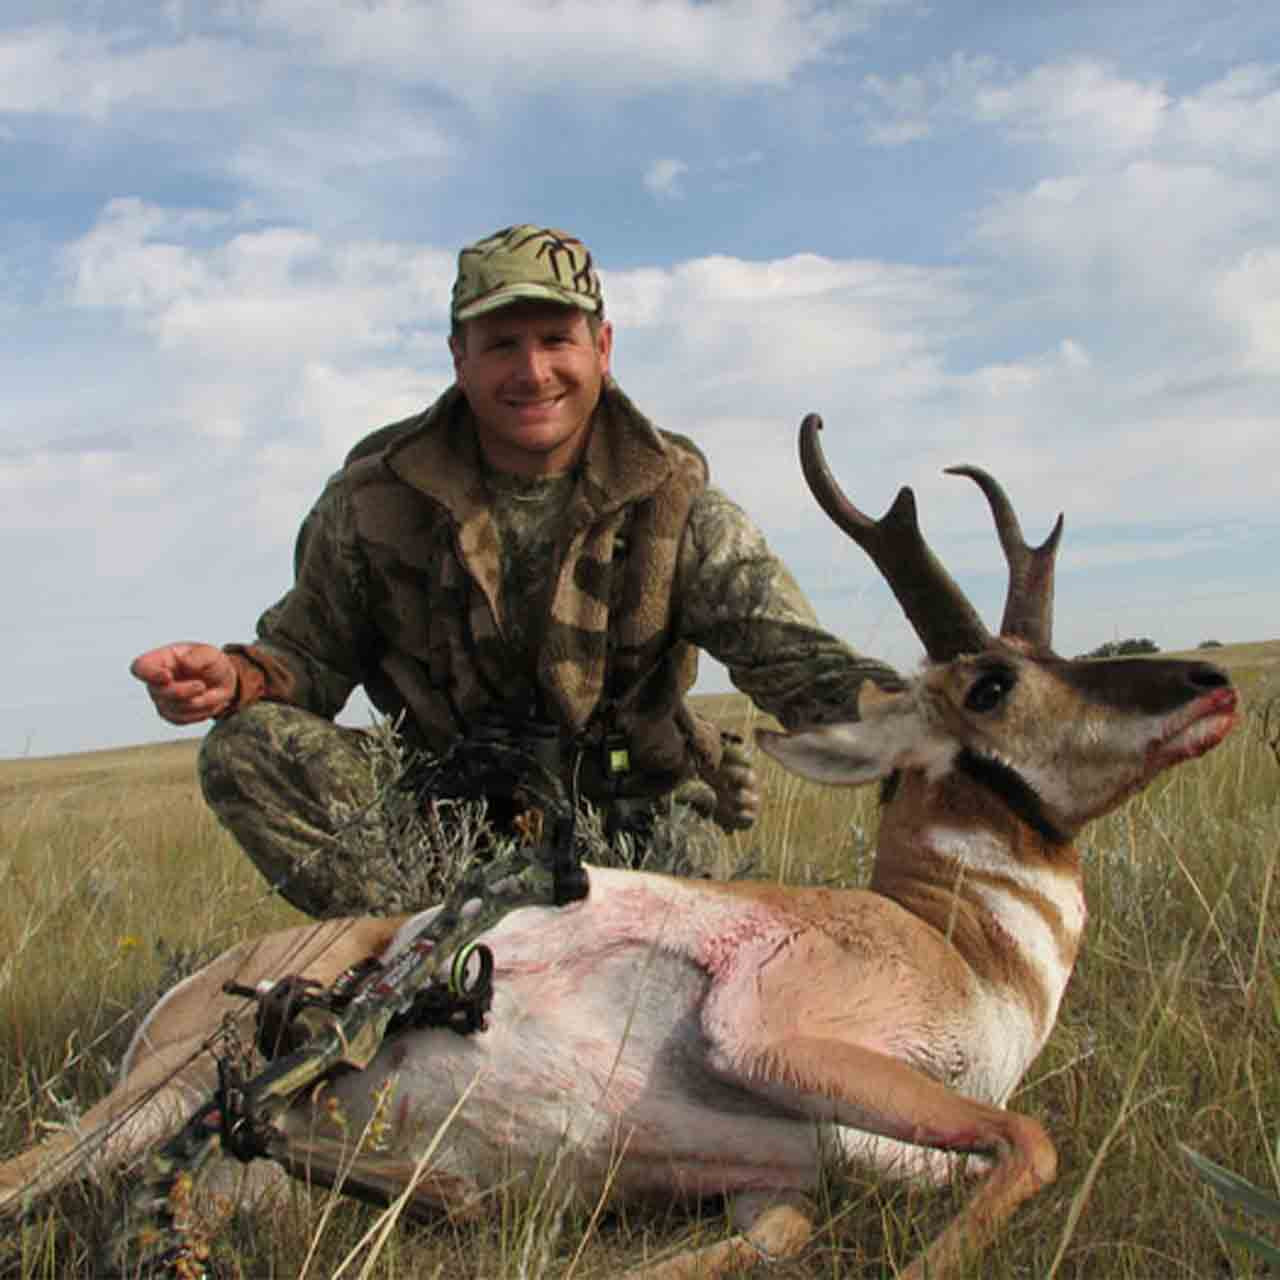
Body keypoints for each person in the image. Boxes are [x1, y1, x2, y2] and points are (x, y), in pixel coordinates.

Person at [131, 225, 904, 919]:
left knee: (704, 970)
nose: (532, 372)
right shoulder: (370, 502)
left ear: (602, 348)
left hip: (634, 821)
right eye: (502, 344)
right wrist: (236, 678)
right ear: (459, 358)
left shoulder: (677, 502)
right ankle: (422, 958)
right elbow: (308, 657)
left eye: (555, 339)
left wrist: (917, 713)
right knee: (248, 747)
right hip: (442, 827)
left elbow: (790, 656)